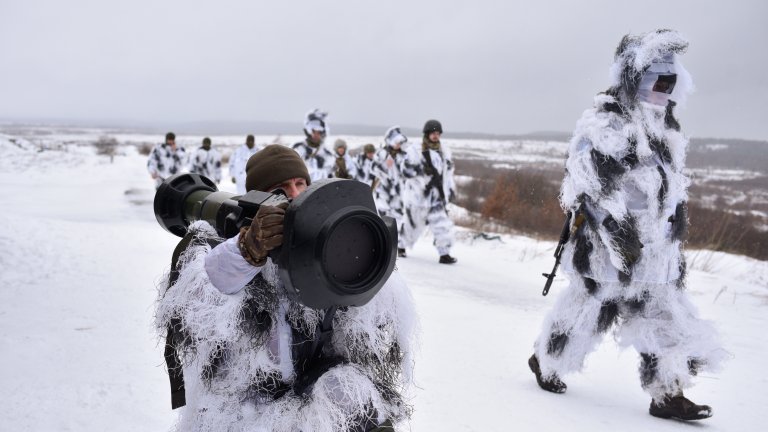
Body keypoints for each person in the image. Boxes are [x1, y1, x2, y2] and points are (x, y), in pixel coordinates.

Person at [528, 30, 727, 421]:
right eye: (658, 80)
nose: (664, 89)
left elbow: (669, 189)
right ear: (635, 77)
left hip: (656, 255)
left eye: (670, 82)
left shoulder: (664, 127)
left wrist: (670, 235)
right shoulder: (607, 123)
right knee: (586, 313)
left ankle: (667, 393)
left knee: (666, 318)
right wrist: (619, 237)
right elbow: (587, 187)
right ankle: (546, 362)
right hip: (608, 253)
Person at [155, 144, 416, 432]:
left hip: (305, 400)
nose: (294, 194)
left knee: (351, 390)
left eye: (300, 183)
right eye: (280, 188)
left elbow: (369, 325)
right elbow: (197, 313)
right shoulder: (220, 251)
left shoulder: (319, 246)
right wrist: (247, 251)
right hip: (241, 411)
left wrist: (363, 264)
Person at [400, 120, 457, 264]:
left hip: (437, 196)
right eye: (433, 133)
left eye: (438, 133)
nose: (436, 136)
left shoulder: (444, 151)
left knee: (442, 225)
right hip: (418, 197)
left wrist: (450, 190)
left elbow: (448, 173)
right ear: (427, 134)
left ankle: (444, 253)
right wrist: (420, 169)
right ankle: (400, 247)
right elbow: (405, 170)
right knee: (411, 224)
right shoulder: (416, 150)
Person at [372, 127, 411, 258]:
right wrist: (385, 166)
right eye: (396, 142)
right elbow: (374, 169)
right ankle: (381, 244)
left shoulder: (404, 155)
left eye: (399, 143)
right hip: (383, 191)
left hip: (398, 193)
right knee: (382, 218)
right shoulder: (381, 153)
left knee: (398, 219)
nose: (398, 145)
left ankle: (399, 246)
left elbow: (409, 172)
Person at [292, 109, 335, 181]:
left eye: (319, 132)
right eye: (313, 131)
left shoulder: (328, 155)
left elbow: (331, 178)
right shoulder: (298, 149)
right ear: (308, 131)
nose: (316, 135)